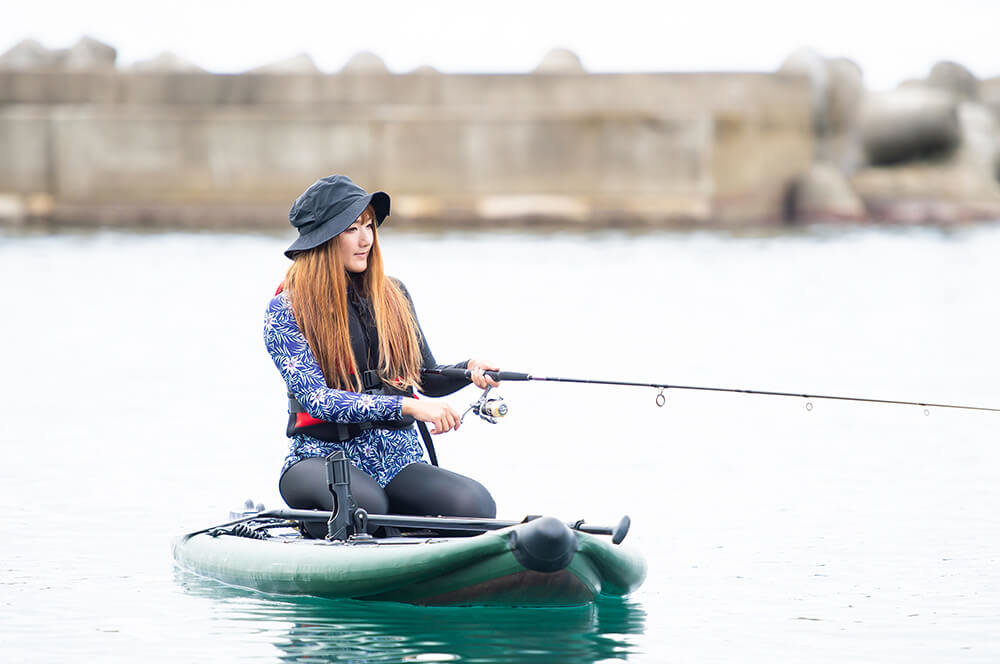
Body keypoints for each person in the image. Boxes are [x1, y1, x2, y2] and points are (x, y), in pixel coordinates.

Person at [263, 175, 498, 537]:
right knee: (369, 509)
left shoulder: (394, 294)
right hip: (321, 456)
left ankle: (408, 534)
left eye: (369, 226)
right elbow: (318, 400)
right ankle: (324, 524)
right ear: (324, 239)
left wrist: (467, 372)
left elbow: (424, 376)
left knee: (476, 505)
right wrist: (407, 407)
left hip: (395, 456)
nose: (366, 239)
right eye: (351, 229)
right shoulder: (286, 310)